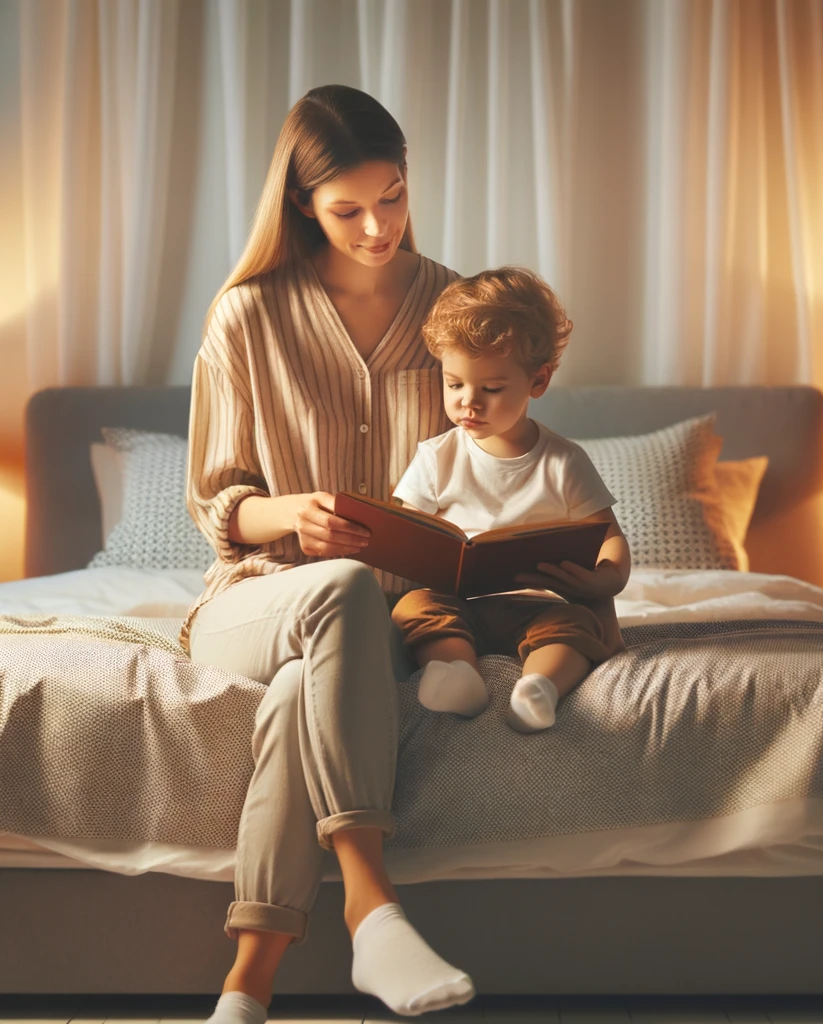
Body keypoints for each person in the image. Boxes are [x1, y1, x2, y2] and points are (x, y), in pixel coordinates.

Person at [183, 85, 474, 1022]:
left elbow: (482, 475)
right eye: (349, 208)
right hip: (253, 599)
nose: (379, 224)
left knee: (301, 697)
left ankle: (246, 989)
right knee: (334, 587)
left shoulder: (452, 308)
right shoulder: (247, 316)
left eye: (392, 195)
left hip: (386, 620)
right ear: (302, 202)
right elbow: (215, 505)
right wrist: (289, 516)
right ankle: (370, 901)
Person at [390, 267, 632, 732]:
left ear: (537, 382)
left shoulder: (563, 462)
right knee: (414, 609)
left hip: (541, 603)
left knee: (579, 625)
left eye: (492, 389)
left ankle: (539, 687)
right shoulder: (435, 457)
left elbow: (610, 540)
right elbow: (406, 534)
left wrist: (604, 580)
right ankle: (459, 674)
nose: (468, 403)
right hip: (460, 604)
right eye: (455, 384)